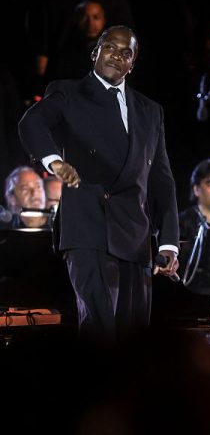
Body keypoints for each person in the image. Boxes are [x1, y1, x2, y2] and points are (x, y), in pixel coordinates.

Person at [18, 25, 180, 345]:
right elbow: (31, 123)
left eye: (126, 52)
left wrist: (168, 242)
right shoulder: (68, 93)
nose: (116, 56)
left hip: (135, 234)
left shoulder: (150, 111)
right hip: (89, 225)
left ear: (132, 64)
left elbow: (161, 178)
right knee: (100, 331)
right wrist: (55, 162)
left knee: (134, 339)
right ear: (95, 52)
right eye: (110, 48)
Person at [1, 165, 50, 229]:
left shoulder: (58, 224)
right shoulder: (6, 229)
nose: (34, 192)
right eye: (25, 188)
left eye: (38, 187)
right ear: (12, 198)